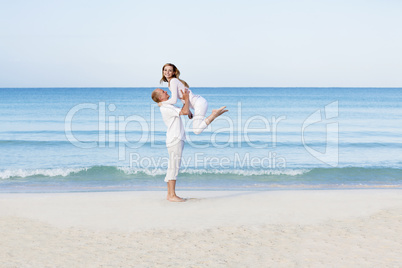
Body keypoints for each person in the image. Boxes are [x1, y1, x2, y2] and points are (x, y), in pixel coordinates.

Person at [159, 63, 228, 134]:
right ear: (163, 71)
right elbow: (183, 97)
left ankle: (214, 114)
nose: (167, 72)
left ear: (173, 72)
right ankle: (214, 114)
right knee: (197, 130)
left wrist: (162, 103)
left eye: (170, 70)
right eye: (165, 70)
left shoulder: (173, 81)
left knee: (197, 131)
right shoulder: (171, 83)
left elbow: (174, 100)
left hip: (199, 103)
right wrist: (189, 111)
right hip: (199, 103)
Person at [151, 87, 190, 202]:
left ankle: (170, 194)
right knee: (174, 167)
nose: (166, 92)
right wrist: (186, 99)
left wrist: (185, 102)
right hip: (175, 139)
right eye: (163, 92)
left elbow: (184, 111)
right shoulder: (166, 107)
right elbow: (184, 111)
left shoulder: (167, 106)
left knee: (172, 166)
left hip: (174, 139)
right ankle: (172, 195)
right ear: (160, 98)